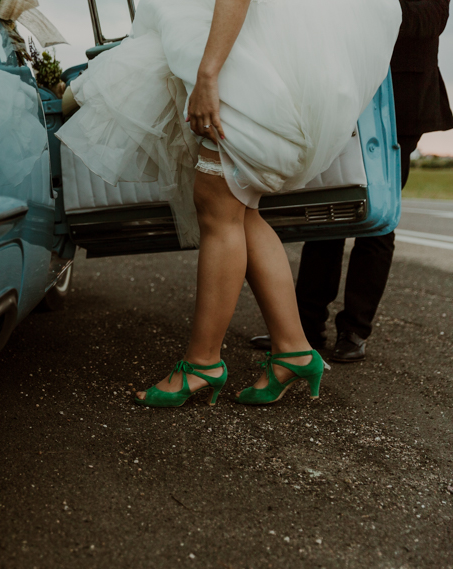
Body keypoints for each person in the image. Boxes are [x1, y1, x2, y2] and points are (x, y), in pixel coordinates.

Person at [56, 0, 401, 407]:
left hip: (238, 71)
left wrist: (207, 75)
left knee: (218, 211)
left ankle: (202, 363)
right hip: (259, 67)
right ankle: (293, 349)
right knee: (241, 211)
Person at [250, 0, 453, 363]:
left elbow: (429, 20)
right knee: (325, 212)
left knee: (378, 220)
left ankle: (355, 329)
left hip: (400, 108)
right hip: (344, 101)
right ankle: (305, 327)